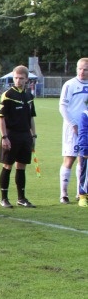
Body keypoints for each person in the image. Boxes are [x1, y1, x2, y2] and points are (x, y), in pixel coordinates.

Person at [0, 65, 38, 208]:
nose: (18, 80)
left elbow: (31, 118)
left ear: (26, 79)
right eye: (16, 78)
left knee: (21, 167)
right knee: (7, 165)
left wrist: (33, 136)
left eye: (21, 78)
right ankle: (4, 198)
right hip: (11, 135)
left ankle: (21, 198)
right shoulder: (8, 95)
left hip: (25, 136)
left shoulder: (29, 96)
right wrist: (4, 137)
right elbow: (1, 118)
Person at [58, 58, 88, 204]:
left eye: (85, 69)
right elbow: (62, 106)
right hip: (72, 128)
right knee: (70, 159)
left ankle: (80, 192)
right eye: (80, 69)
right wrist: (73, 124)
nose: (82, 72)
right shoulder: (69, 84)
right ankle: (63, 194)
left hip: (86, 129)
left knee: (84, 160)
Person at [77, 105, 88, 207]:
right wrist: (84, 149)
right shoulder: (85, 114)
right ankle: (83, 196)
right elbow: (83, 133)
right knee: (86, 175)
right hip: (87, 151)